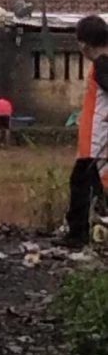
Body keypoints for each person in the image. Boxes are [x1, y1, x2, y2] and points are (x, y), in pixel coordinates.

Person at [64, 15, 108, 246]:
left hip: (97, 140)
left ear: (83, 44)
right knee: (92, 187)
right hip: (95, 140)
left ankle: (77, 236)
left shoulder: (102, 65)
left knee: (81, 184)